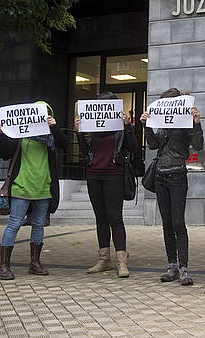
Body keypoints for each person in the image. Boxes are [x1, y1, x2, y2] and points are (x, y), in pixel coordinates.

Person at [0, 101, 68, 280]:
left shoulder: (50, 136)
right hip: (22, 186)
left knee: (38, 225)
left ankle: (35, 263)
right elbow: (5, 153)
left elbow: (63, 143)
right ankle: (4, 266)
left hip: (43, 186)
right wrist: (1, 135)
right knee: (14, 224)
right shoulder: (19, 135)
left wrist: (55, 126)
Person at [140, 88, 202, 286]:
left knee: (177, 222)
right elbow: (151, 145)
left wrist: (196, 123)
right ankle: (172, 265)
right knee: (167, 223)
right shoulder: (160, 125)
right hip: (160, 175)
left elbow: (198, 145)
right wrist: (146, 126)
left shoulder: (185, 123)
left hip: (177, 174)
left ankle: (184, 268)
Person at [76, 92, 137, 278]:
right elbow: (85, 151)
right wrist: (79, 131)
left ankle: (121, 262)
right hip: (94, 175)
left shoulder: (121, 128)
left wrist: (128, 127)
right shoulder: (92, 127)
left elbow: (134, 148)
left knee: (115, 218)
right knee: (100, 218)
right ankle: (103, 259)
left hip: (114, 175)